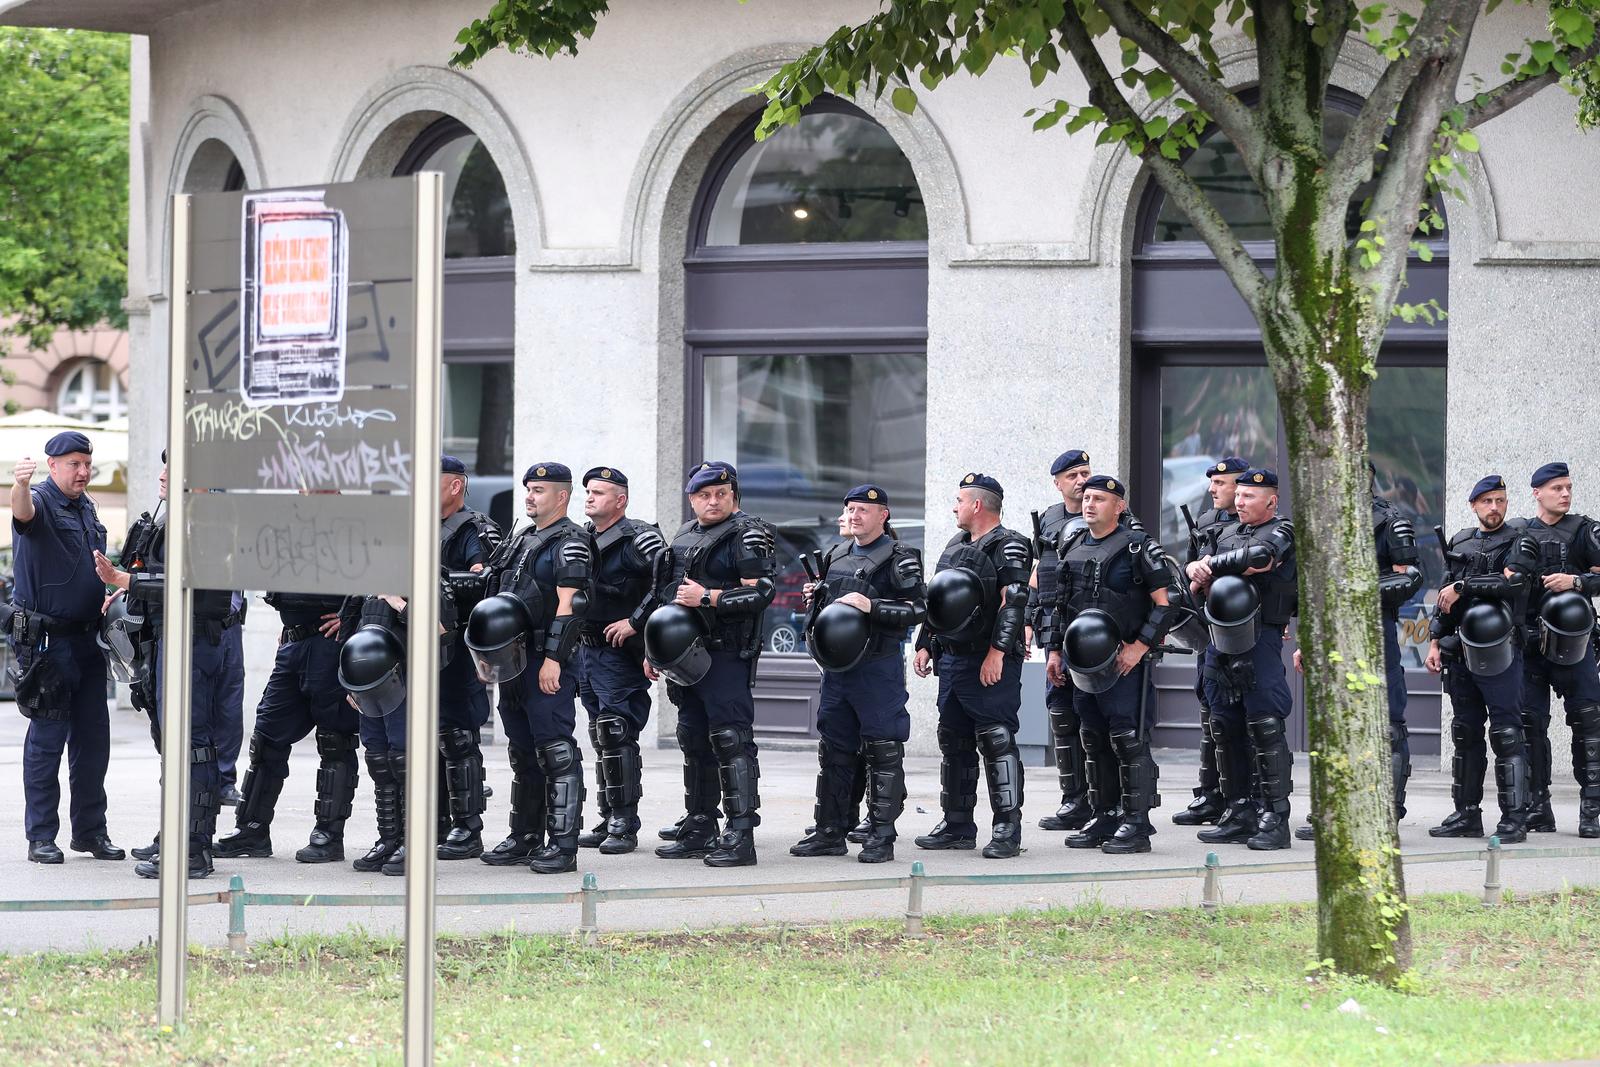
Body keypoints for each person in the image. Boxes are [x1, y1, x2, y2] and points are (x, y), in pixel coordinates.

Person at [95, 451, 235, 878]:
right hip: (167, 644)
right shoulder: (176, 519)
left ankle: (192, 850)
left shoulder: (209, 520)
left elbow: (195, 588)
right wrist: (127, 590)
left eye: (173, 469)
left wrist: (125, 581)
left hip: (191, 646)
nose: (162, 475)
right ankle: (177, 836)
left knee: (192, 747)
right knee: (176, 746)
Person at [640, 461, 776, 868]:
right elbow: (666, 596)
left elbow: (762, 594)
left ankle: (740, 834)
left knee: (732, 741)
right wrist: (653, 649)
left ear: (733, 495)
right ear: (692, 498)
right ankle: (700, 824)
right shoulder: (684, 533)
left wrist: (710, 597)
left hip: (727, 654)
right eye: (703, 495)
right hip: (685, 656)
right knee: (693, 739)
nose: (712, 501)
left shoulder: (749, 533)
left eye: (721, 494)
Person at [469, 462, 593, 874]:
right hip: (514, 662)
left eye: (539, 490)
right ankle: (525, 836)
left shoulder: (571, 541)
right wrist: (486, 656)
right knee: (522, 752)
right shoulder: (520, 539)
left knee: (555, 750)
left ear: (562, 496)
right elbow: (496, 593)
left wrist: (555, 659)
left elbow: (570, 607)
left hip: (545, 660)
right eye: (528, 489)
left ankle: (562, 844)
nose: (529, 496)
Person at [791, 485, 925, 863]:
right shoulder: (835, 555)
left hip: (877, 668)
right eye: (849, 509)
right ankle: (830, 831)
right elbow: (826, 606)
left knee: (883, 750)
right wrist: (816, 597)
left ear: (883, 515)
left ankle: (881, 835)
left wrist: (874, 605)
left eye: (863, 510)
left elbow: (918, 609)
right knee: (834, 750)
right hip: (837, 671)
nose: (853, 516)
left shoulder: (900, 557)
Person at [1047, 475, 1179, 853]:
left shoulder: (1138, 547)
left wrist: (1139, 647)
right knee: (1091, 737)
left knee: (1127, 739)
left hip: (1124, 663)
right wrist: (1055, 651)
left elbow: (1164, 604)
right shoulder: (1071, 543)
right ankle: (1103, 814)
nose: (1089, 504)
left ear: (1119, 507)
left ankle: (1136, 823)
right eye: (1087, 498)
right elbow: (1060, 606)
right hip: (1081, 663)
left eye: (1099, 499)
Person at [8, 432, 123, 865]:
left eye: (86, 464)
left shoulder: (87, 506)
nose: (82, 471)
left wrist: (106, 591)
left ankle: (91, 832)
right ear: (52, 465)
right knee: (47, 741)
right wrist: (19, 485)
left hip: (87, 639)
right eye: (73, 463)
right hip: (48, 644)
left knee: (93, 742)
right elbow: (23, 515)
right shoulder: (38, 499)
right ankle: (41, 836)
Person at [913, 473, 1033, 859]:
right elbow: (939, 599)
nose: (954, 507)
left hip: (987, 659)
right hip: (952, 660)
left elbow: (1013, 602)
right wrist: (925, 644)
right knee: (954, 741)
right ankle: (957, 824)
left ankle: (1006, 828)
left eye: (959, 500)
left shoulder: (1010, 544)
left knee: (996, 740)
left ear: (977, 505)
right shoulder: (954, 545)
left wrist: (997, 653)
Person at [1425, 475, 1540, 842]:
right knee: (1465, 734)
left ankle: (1515, 819)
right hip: (1461, 651)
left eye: (1500, 500)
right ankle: (1466, 814)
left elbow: (1512, 583)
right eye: (1487, 501)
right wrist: (1433, 641)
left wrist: (1464, 586)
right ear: (1474, 505)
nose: (1495, 507)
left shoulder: (1521, 540)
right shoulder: (1460, 541)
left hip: (1503, 652)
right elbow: (1443, 598)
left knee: (1507, 734)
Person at [1189, 467, 1297, 851]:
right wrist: (1194, 567)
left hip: (1261, 637)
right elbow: (1194, 567)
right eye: (1240, 495)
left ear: (1271, 500)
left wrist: (1212, 566)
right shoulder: (1222, 531)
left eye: (1250, 496)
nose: (1240, 501)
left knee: (1265, 725)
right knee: (1224, 724)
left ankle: (1274, 817)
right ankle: (1239, 810)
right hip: (1219, 638)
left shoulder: (1282, 529)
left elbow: (1262, 558)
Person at [214, 583, 356, 863]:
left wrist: (355, 616)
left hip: (332, 642)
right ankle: (251, 830)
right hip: (294, 642)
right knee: (266, 739)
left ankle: (328, 835)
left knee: (335, 740)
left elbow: (378, 569)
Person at [574, 466, 664, 855]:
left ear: (620, 500)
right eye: (588, 492)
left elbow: (668, 582)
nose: (591, 497)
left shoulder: (640, 537)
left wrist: (636, 623)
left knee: (615, 732)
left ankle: (624, 823)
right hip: (586, 649)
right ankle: (607, 813)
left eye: (600, 492)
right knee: (599, 734)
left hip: (620, 653)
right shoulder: (581, 537)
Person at [1511, 462, 1600, 837]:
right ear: (1537, 492)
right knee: (1531, 725)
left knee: (1588, 723)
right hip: (1531, 644)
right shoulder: (1518, 532)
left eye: (1568, 487)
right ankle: (1538, 807)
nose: (1565, 494)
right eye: (1556, 488)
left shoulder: (1584, 530)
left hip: (1575, 644)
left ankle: (1592, 810)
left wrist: (1577, 581)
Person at [1174, 456, 1248, 828]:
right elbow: (1190, 564)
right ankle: (1210, 794)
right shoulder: (1205, 521)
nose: (1212, 489)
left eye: (1221, 483)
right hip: (1207, 628)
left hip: (1239, 630)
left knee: (1239, 713)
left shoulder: (1252, 525)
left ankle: (1248, 798)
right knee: (1209, 707)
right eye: (1212, 483)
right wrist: (1192, 571)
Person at [436, 456, 501, 861]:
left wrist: (433, 578)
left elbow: (486, 581)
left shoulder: (475, 528)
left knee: (458, 737)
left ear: (455, 486)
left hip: (458, 646)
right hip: (415, 643)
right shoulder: (415, 525)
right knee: (425, 741)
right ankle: (435, 821)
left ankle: (467, 827)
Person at [1029, 450, 1094, 832]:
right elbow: (1040, 573)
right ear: (1058, 482)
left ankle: (1104, 800)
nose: (1082, 480)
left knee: (1093, 719)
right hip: (1057, 627)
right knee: (1061, 713)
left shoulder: (1109, 512)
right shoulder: (1050, 519)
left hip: (1092, 629)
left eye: (1086, 472)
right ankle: (1073, 800)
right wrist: (1026, 619)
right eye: (1073, 475)